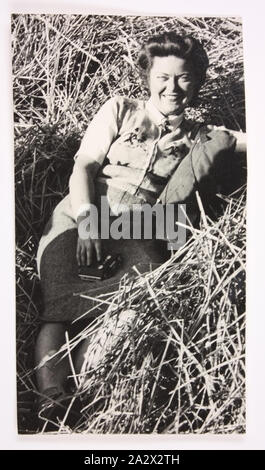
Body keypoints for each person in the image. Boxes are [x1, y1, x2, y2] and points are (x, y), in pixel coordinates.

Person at [34, 32, 246, 427]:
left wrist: (223, 142)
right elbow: (83, 168)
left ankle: (84, 399)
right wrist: (87, 223)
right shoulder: (120, 109)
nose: (172, 87)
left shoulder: (200, 135)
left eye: (183, 77)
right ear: (147, 76)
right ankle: (49, 400)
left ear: (197, 81)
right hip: (87, 210)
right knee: (59, 311)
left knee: (127, 312)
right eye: (162, 76)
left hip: (143, 226)